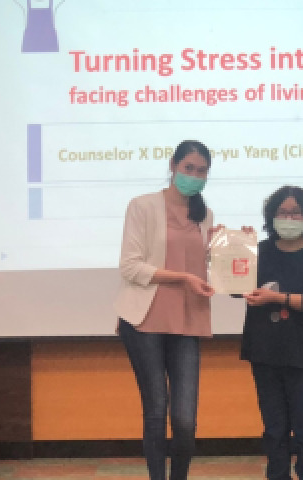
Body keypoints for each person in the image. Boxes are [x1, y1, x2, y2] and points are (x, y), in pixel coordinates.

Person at [114, 140, 215, 480]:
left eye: (202, 171)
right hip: (145, 320)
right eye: (189, 168)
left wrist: (234, 246)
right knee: (156, 412)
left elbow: (207, 267)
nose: (194, 176)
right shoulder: (142, 206)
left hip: (187, 320)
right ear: (173, 166)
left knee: (185, 419)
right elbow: (130, 267)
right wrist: (182, 277)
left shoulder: (206, 216)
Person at [241, 185, 303, 480]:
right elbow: (234, 287)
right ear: (272, 216)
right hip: (265, 352)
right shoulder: (259, 251)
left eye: (296, 212)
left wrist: (277, 298)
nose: (289, 218)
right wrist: (232, 249)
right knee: (274, 430)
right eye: (283, 212)